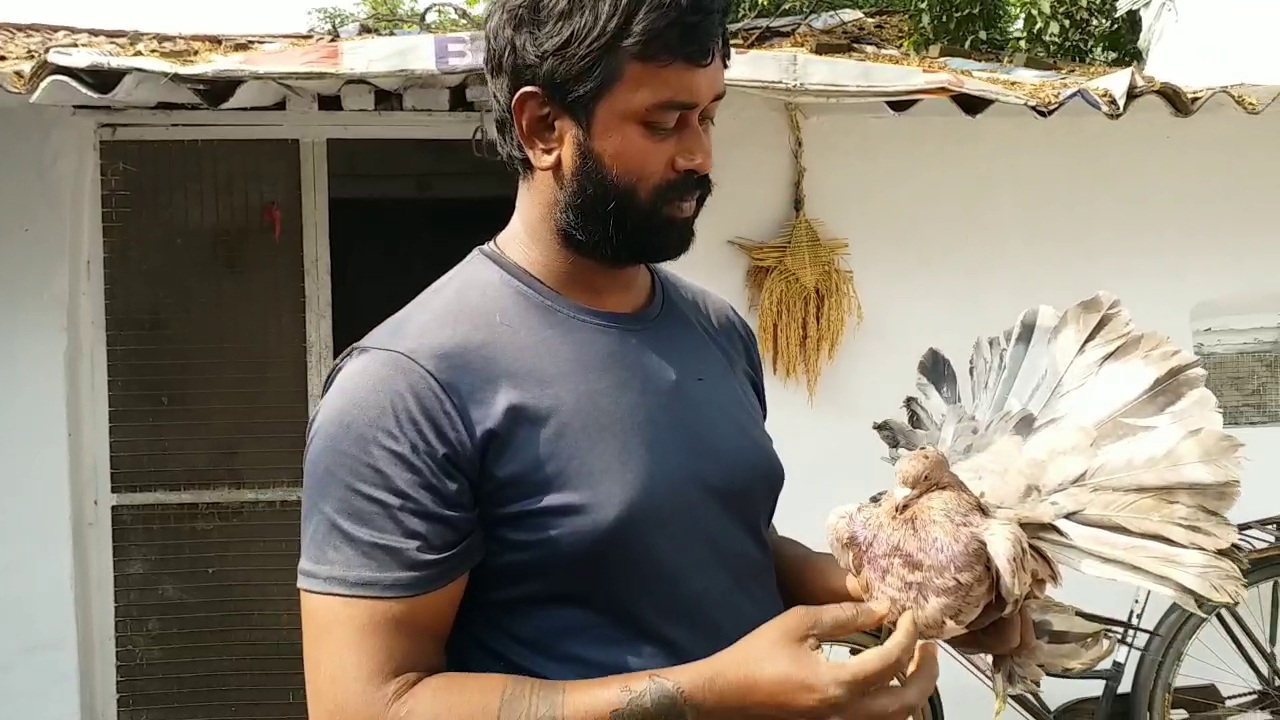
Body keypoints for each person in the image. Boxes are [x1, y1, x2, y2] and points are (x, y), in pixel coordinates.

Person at [297, 1, 1030, 718]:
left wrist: (906, 595)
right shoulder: (406, 386)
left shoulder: (716, 332)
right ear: (543, 126)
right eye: (663, 122)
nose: (699, 155)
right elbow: (364, 702)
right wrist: (713, 694)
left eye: (709, 115)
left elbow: (723, 548)